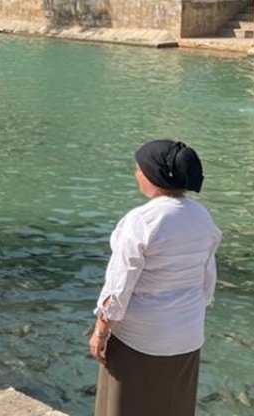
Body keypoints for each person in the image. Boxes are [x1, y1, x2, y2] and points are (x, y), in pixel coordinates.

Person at [90, 140, 220, 416]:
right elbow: (207, 280)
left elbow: (119, 284)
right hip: (187, 333)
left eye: (139, 168)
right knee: (173, 405)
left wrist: (101, 330)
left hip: (140, 335)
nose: (136, 173)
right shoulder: (201, 216)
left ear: (153, 175)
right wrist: (189, 313)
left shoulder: (142, 220)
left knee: (125, 406)